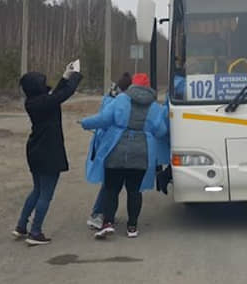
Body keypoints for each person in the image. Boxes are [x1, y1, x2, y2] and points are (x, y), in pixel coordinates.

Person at [81, 73, 169, 239]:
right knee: (134, 191)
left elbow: (103, 119)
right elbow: (161, 131)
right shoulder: (155, 107)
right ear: (148, 87)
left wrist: (85, 123)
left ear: (132, 85)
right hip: (141, 152)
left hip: (116, 149)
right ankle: (132, 227)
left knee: (111, 189)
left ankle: (108, 223)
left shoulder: (121, 100)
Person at [14, 60, 83, 246]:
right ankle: (35, 232)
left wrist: (65, 76)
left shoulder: (34, 101)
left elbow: (55, 94)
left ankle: (21, 225)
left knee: (37, 190)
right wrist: (76, 75)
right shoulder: (43, 102)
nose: (45, 85)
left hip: (35, 150)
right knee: (46, 194)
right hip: (48, 152)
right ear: (37, 87)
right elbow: (64, 94)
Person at [85, 72, 132, 230]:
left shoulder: (110, 97)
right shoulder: (119, 102)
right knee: (109, 184)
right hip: (110, 144)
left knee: (110, 183)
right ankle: (98, 214)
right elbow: (105, 120)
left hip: (104, 142)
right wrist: (86, 123)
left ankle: (102, 213)